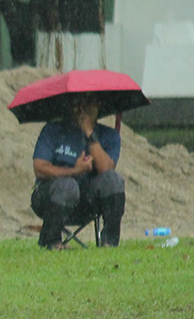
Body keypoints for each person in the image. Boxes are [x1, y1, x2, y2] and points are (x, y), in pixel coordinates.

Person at [30, 93, 126, 250]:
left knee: (114, 181)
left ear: (99, 107)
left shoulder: (109, 135)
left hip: (87, 199)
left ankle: (109, 242)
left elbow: (106, 169)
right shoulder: (53, 130)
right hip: (51, 198)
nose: (84, 109)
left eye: (91, 104)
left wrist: (89, 132)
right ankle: (52, 242)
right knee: (67, 186)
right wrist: (74, 171)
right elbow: (39, 168)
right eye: (80, 104)